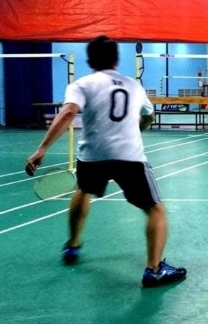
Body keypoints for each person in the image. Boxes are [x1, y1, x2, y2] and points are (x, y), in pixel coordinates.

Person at [24, 36, 186, 287]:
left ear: (90, 60)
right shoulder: (134, 86)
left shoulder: (82, 84)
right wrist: (135, 129)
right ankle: (154, 270)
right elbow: (148, 117)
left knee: (83, 190)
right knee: (155, 209)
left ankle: (73, 245)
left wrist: (42, 149)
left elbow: (68, 112)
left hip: (92, 156)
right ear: (116, 60)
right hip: (129, 156)